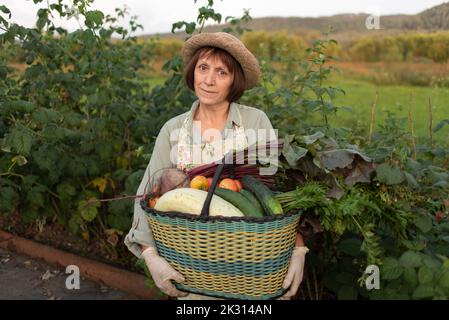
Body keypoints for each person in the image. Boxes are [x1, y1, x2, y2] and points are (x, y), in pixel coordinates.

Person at [124, 32, 309, 300]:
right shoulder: (173, 130)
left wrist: (297, 250)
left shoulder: (255, 122)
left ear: (235, 80)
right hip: (190, 272)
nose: (209, 80)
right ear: (193, 72)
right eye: (203, 68)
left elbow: (277, 195)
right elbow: (145, 195)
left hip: (254, 271)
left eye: (222, 72)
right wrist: (150, 255)